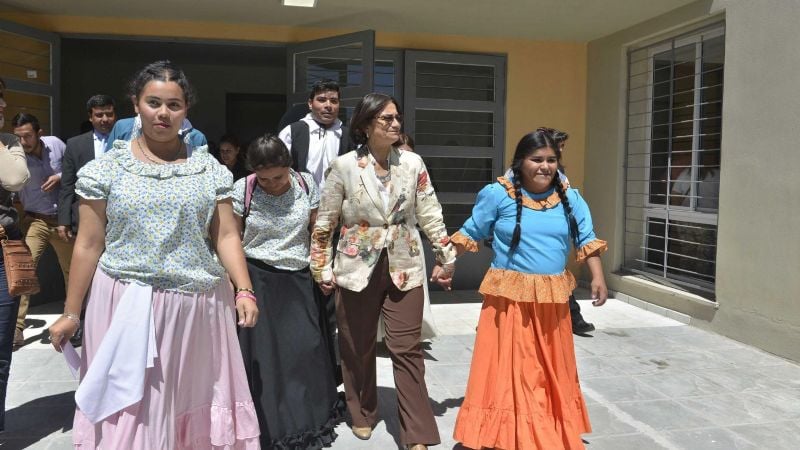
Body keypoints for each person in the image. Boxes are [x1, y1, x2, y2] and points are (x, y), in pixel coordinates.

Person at [46, 61, 260, 449]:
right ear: (136, 104)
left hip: (197, 309)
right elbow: (89, 244)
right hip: (124, 304)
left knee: (187, 403)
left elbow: (226, 234)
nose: (163, 113)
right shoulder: (107, 170)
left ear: (186, 110)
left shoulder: (208, 170)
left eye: (174, 105)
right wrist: (72, 312)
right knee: (131, 411)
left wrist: (244, 289)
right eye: (154, 102)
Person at [310, 93, 456, 450]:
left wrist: (445, 253)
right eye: (386, 119)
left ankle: (417, 431)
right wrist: (321, 267)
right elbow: (326, 221)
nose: (395, 124)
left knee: (407, 348)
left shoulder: (412, 163)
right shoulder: (343, 166)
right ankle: (362, 412)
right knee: (356, 345)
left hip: (405, 264)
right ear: (365, 126)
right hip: (356, 265)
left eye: (396, 118)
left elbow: (429, 211)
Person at [451, 129, 608, 450]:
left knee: (546, 368)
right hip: (508, 300)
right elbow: (472, 229)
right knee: (512, 369)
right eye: (537, 159)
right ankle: (504, 431)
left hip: (551, 301)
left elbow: (586, 238)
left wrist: (597, 277)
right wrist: (446, 262)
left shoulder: (570, 197)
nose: (544, 166)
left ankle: (543, 426)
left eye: (551, 160)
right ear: (521, 161)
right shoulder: (499, 194)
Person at [233, 134, 344, 449]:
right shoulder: (244, 189)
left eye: (278, 177)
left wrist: (322, 269)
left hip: (297, 278)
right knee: (264, 357)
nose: (271, 184)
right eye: (264, 178)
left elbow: (317, 232)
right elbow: (232, 237)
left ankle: (306, 414)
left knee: (303, 351)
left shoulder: (305, 183)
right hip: (257, 279)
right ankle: (266, 420)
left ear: (289, 167)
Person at [11, 112, 71, 351]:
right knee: (24, 271)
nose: (23, 142)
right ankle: (16, 328)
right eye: (18, 137)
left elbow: (77, 171)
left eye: (27, 136)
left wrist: (59, 177)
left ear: (39, 134)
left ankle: (71, 319)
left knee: (71, 271)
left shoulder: (56, 145)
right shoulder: (15, 157)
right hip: (36, 222)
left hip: (62, 222)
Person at [376, 133, 439, 342]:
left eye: (407, 151)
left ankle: (409, 332)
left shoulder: (416, 169)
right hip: (378, 240)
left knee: (410, 290)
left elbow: (428, 210)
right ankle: (381, 334)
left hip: (407, 239)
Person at [0, 76, 31, 432]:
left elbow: (14, 179)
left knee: (1, 351)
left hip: (2, 252)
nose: (4, 106)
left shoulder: (8, 142)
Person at [278, 79, 352, 190]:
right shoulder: (292, 132)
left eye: (334, 101)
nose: (328, 105)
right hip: (299, 202)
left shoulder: (347, 136)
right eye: (322, 100)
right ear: (310, 104)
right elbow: (278, 170)